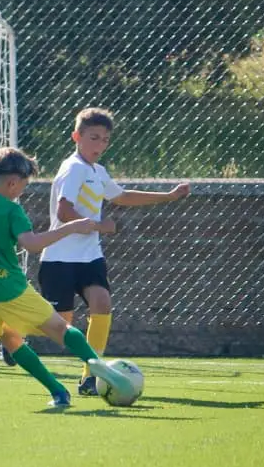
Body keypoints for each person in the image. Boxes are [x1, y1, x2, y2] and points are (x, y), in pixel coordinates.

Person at [0, 146, 135, 408]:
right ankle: (99, 368)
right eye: (23, 185)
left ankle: (58, 392)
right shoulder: (11, 210)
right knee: (60, 328)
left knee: (10, 339)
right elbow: (32, 244)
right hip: (9, 290)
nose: (22, 191)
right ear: (11, 183)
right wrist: (71, 227)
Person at [40, 108, 190, 395]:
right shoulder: (73, 168)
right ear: (76, 137)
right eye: (93, 138)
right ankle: (13, 332)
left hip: (89, 257)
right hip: (60, 257)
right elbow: (64, 210)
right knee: (61, 327)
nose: (100, 145)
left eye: (105, 140)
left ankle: (90, 377)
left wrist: (169, 196)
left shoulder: (97, 171)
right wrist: (98, 225)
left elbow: (122, 196)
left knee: (102, 303)